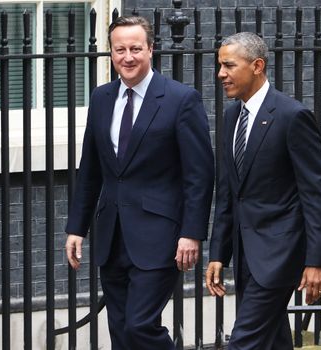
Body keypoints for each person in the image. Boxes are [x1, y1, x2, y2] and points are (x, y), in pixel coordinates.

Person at [65, 16, 214, 350]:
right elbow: (90, 169)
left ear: (151, 49)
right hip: (112, 236)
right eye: (120, 50)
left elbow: (199, 175)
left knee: (139, 327)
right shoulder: (102, 98)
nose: (127, 57)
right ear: (111, 52)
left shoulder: (180, 99)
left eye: (135, 48)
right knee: (120, 331)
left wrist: (191, 233)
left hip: (159, 237)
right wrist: (77, 227)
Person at [206, 32, 321, 350]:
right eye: (220, 65)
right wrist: (218, 253)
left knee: (244, 341)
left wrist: (317, 261)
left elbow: (316, 193)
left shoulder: (292, 116)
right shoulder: (232, 115)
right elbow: (229, 191)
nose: (220, 74)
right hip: (246, 253)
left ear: (257, 65)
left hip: (280, 254)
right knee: (273, 340)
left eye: (229, 65)